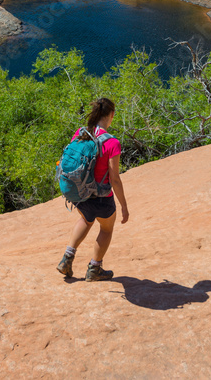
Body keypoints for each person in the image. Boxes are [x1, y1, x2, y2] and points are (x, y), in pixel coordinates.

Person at [57, 97, 129, 282]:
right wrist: (124, 206)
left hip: (81, 194)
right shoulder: (112, 143)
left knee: (86, 219)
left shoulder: (80, 133)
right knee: (106, 229)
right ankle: (94, 269)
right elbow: (114, 179)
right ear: (111, 115)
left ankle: (67, 258)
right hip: (102, 198)